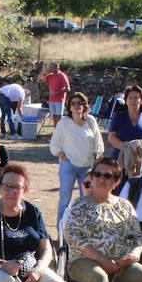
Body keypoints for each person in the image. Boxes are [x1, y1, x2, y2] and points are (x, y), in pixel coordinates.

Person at [49, 92, 104, 226]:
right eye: (73, 103)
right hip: (68, 166)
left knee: (87, 199)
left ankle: (85, 229)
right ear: (69, 106)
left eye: (80, 103)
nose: (77, 106)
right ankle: (61, 231)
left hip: (87, 167)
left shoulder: (90, 121)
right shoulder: (64, 122)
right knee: (65, 200)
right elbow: (54, 144)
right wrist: (62, 155)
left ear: (85, 105)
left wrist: (96, 155)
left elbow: (98, 140)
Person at [107, 84, 142, 178]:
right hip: (119, 164)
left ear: (141, 101)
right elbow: (111, 137)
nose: (133, 101)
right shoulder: (118, 118)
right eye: (130, 98)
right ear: (126, 101)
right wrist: (127, 147)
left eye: (136, 98)